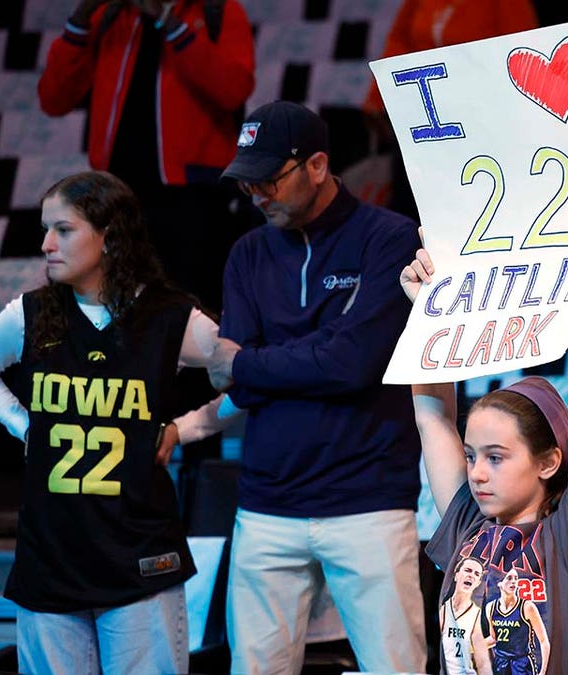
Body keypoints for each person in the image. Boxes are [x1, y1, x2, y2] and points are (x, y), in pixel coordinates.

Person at [0, 171, 235, 673]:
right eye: (46, 230)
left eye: (62, 230)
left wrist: (183, 429)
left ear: (108, 236)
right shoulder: (28, 313)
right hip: (51, 558)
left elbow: (251, 380)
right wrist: (24, 426)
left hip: (140, 559)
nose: (45, 244)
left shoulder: (171, 317)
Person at [206, 100, 427, 673]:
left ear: (319, 165)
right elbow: (234, 379)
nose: (257, 197)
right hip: (266, 505)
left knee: (394, 669)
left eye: (268, 181)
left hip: (369, 501)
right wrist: (304, 360)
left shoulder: (390, 238)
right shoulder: (246, 252)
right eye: (247, 184)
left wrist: (259, 363)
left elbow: (351, 364)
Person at [402, 195, 568, 674]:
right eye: (472, 455)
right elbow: (432, 418)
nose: (475, 472)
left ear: (548, 462)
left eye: (496, 457)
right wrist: (429, 312)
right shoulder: (467, 525)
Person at [38, 0, 255, 312]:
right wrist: (80, 20)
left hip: (194, 197)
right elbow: (53, 98)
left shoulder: (216, 9)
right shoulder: (109, 16)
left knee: (194, 315)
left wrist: (170, 23)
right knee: (123, 316)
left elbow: (233, 88)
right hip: (117, 198)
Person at [362, 0, 538, 219]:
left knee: (471, 199)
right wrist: (377, 95)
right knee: (414, 202)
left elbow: (521, 50)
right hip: (423, 114)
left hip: (481, 119)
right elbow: (399, 41)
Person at [442, 557, 489, 675]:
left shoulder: (476, 614)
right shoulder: (443, 609)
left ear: (478, 583)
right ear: (456, 575)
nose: (471, 575)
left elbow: (483, 663)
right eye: (468, 570)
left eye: (476, 574)